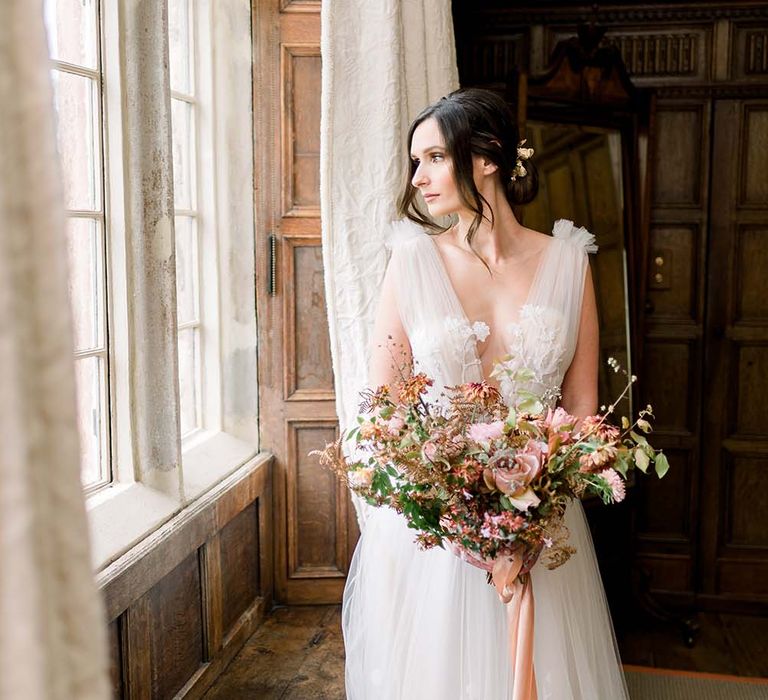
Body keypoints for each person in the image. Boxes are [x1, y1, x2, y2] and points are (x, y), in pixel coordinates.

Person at [342, 88, 629, 699]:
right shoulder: (412, 262)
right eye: (415, 162)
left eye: (435, 158)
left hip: (541, 521)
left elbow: (581, 412)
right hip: (438, 533)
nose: (418, 178)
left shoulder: (568, 263)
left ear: (488, 158)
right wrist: (459, 511)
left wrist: (533, 512)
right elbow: (386, 409)